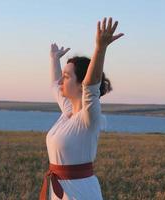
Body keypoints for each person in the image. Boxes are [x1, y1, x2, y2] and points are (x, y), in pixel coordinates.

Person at [39, 17, 124, 200]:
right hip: (59, 191)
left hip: (81, 192)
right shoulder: (67, 112)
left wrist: (100, 48)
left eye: (67, 77)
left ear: (81, 85)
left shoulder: (88, 118)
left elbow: (91, 87)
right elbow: (55, 85)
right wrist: (54, 59)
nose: (62, 81)